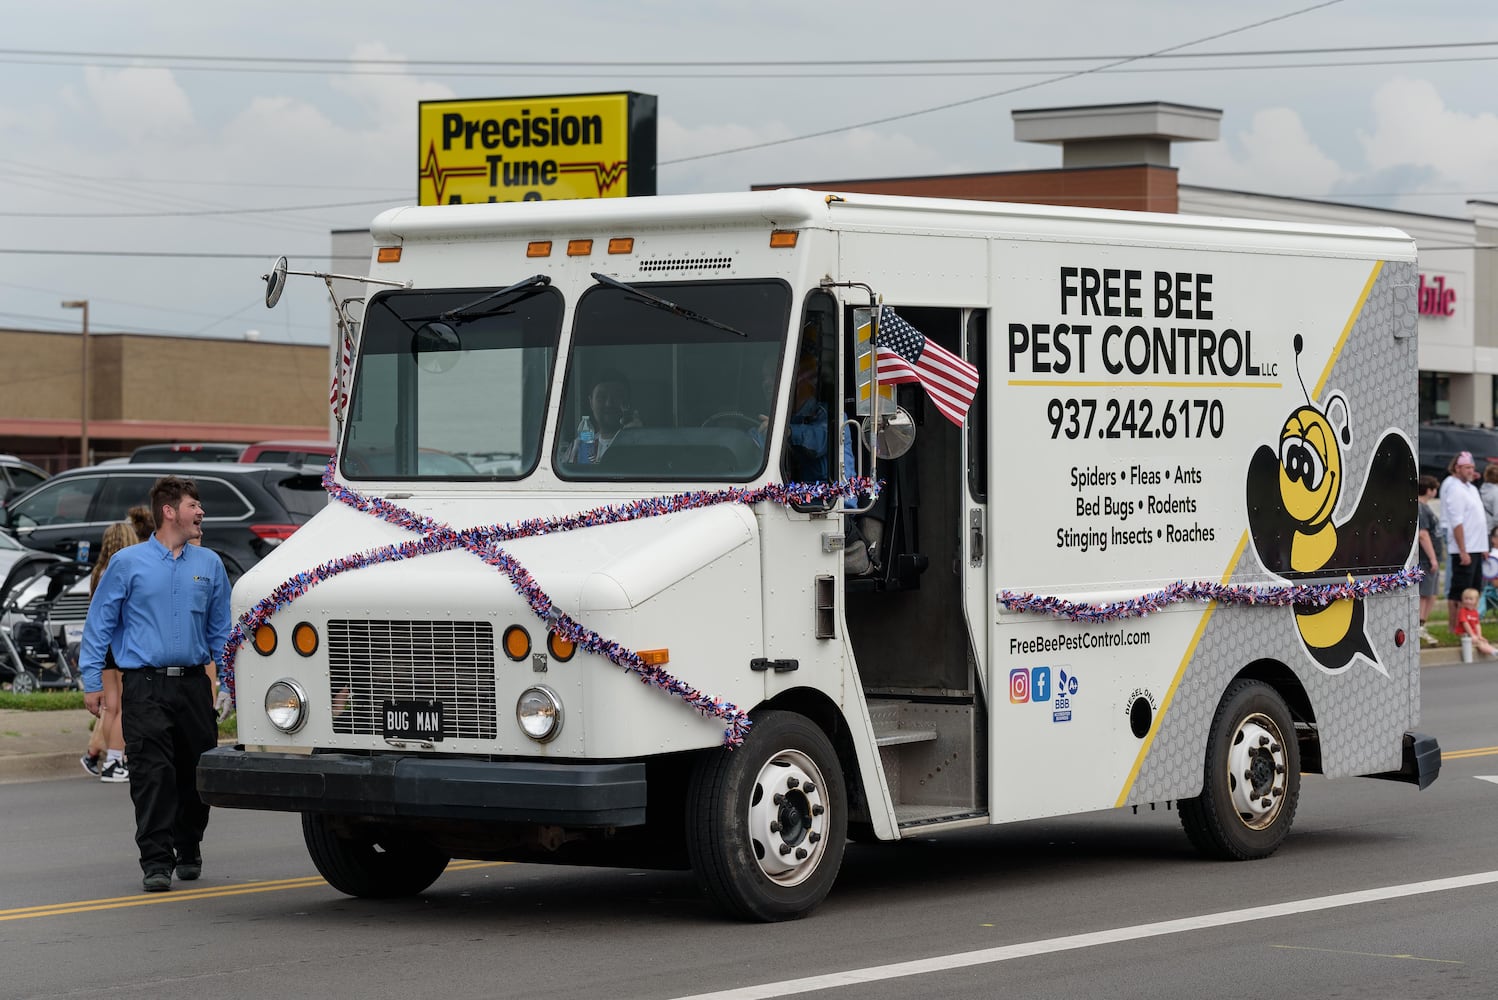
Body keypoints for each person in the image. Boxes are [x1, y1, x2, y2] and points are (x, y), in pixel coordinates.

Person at [80, 476, 231, 893]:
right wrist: (92, 679)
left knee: (195, 773)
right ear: (169, 511)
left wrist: (231, 683)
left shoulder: (210, 565)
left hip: (193, 687)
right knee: (152, 774)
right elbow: (99, 624)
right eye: (193, 505)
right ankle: (156, 860)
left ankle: (189, 845)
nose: (200, 512)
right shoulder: (128, 564)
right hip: (144, 686)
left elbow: (222, 632)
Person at [80, 521, 141, 781]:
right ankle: (116, 760)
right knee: (124, 706)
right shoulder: (123, 569)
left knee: (110, 706)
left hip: (102, 645)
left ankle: (109, 760)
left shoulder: (97, 571)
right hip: (118, 642)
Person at [1440, 451, 1487, 628]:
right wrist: (1462, 550)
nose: (1471, 471)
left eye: (1472, 467)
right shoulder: (1454, 489)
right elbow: (1457, 523)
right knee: (1460, 591)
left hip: (1477, 546)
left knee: (1474, 589)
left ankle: (1470, 625)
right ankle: (1455, 627)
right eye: (1467, 467)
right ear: (1457, 468)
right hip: (1464, 548)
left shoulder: (1471, 488)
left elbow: (1477, 519)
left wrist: (1483, 546)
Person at [564, 369, 642, 464]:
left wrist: (637, 437)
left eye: (617, 396)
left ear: (628, 403)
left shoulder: (644, 445)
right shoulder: (578, 447)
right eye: (601, 397)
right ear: (591, 403)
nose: (609, 403)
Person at [1415, 475, 1443, 646]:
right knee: (1425, 594)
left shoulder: (1425, 507)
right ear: (1430, 490)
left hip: (1432, 558)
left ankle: (1422, 624)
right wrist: (1432, 558)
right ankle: (1418, 625)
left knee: (1431, 594)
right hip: (1426, 559)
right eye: (1435, 489)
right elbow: (1423, 535)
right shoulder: (1420, 508)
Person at [1455, 588, 1497, 658]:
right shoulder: (1463, 611)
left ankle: (1494, 651)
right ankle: (1493, 652)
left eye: (1470, 599)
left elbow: (1477, 624)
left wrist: (1479, 635)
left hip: (1472, 634)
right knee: (1480, 644)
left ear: (1476, 601)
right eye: (1466, 598)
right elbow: (1465, 623)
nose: (1468, 601)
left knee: (1484, 642)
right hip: (1465, 634)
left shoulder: (1475, 612)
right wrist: (1472, 635)